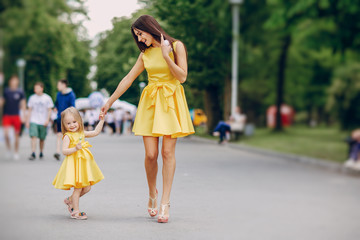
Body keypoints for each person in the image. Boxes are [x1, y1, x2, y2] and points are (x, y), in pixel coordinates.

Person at [101, 15, 194, 223]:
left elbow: (182, 77)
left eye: (140, 34)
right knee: (151, 155)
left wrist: (167, 56)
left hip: (170, 102)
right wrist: (109, 102)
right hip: (151, 103)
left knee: (167, 153)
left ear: (150, 28)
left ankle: (165, 203)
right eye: (137, 36)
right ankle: (152, 192)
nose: (140, 39)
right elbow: (128, 78)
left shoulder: (177, 46)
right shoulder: (144, 54)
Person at [52, 107, 105, 220]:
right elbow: (64, 151)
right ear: (64, 125)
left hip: (83, 164)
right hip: (74, 164)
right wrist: (75, 148)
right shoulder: (67, 136)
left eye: (74, 122)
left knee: (87, 188)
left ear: (79, 121)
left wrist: (101, 120)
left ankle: (70, 200)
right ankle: (75, 211)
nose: (72, 125)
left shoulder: (81, 132)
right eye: (68, 123)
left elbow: (95, 132)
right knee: (78, 188)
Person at [0, 75, 26, 160]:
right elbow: (2, 101)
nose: (14, 82)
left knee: (16, 136)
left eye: (15, 80)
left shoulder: (20, 92)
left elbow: (23, 104)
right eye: (12, 80)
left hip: (16, 116)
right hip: (7, 115)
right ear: (10, 81)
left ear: (17, 82)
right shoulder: (6, 91)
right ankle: (8, 149)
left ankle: (16, 152)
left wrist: (23, 116)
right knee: (6, 134)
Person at [26, 82, 54, 160]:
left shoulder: (47, 98)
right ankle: (33, 152)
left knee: (42, 138)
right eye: (35, 88)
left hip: (43, 121)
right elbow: (29, 110)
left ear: (41, 88)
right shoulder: (32, 98)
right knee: (33, 136)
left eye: (37, 88)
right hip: (34, 120)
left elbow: (49, 110)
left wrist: (47, 120)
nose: (36, 90)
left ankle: (41, 151)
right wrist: (27, 121)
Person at [54, 79, 76, 161]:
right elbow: (56, 104)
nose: (57, 86)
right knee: (59, 134)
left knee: (69, 136)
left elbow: (73, 107)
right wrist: (56, 108)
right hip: (59, 118)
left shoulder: (71, 95)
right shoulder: (58, 94)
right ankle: (57, 152)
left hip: (68, 119)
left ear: (64, 85)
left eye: (59, 85)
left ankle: (71, 151)